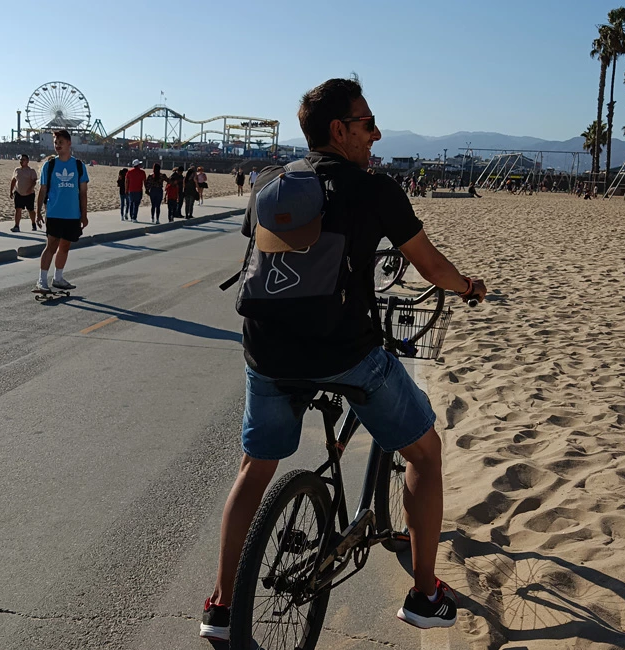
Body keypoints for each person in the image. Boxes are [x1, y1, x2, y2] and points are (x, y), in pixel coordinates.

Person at [200, 77, 486, 642]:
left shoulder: (268, 185)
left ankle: (220, 607)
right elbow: (430, 266)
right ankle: (426, 594)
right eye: (367, 123)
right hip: (344, 355)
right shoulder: (374, 189)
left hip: (267, 350)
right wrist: (468, 287)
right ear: (339, 130)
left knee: (254, 468)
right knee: (425, 452)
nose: (376, 134)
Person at [35, 129, 89, 292]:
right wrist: (38, 212)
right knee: (51, 246)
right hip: (54, 212)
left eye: (60, 142)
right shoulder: (49, 166)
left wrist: (84, 215)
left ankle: (58, 278)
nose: (57, 146)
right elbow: (42, 190)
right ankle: (41, 281)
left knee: (65, 247)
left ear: (69, 143)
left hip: (73, 214)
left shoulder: (79, 166)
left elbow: (83, 193)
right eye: (55, 143)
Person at [9, 154, 39, 232]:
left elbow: (34, 181)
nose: (22, 161)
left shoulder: (31, 171)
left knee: (30, 210)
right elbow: (13, 181)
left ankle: (33, 223)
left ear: (27, 161)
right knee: (18, 209)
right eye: (21, 159)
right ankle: (16, 226)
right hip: (18, 193)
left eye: (24, 160)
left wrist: (30, 188)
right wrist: (11, 191)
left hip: (29, 194)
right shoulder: (17, 170)